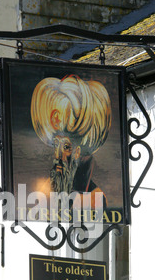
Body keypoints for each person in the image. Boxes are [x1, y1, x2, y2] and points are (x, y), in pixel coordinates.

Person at [30, 74, 111, 209]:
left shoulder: (96, 199)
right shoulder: (44, 193)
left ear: (78, 151)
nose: (58, 155)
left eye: (66, 147)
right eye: (56, 145)